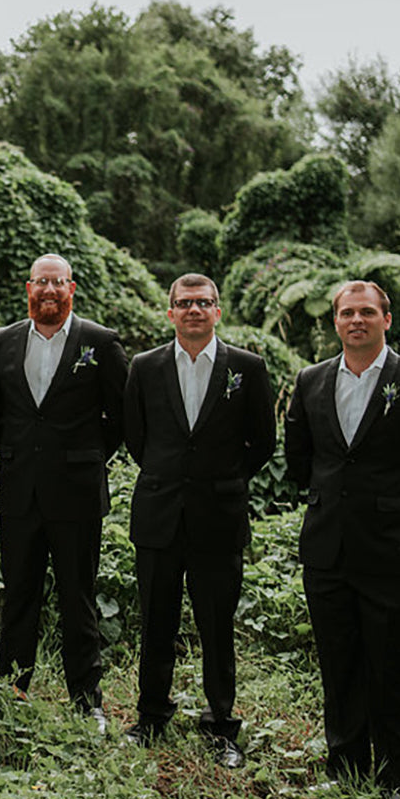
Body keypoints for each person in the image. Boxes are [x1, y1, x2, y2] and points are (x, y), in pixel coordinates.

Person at [285, 279, 400, 799]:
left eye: (367, 312)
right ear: (335, 322)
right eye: (347, 313)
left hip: (393, 550)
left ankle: (394, 782)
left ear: (387, 320)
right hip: (328, 550)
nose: (356, 320)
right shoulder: (311, 379)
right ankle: (345, 769)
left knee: (391, 666)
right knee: (338, 663)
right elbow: (301, 460)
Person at [121, 274, 275, 767]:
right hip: (159, 513)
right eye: (184, 303)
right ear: (169, 313)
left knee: (217, 625)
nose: (193, 310)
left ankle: (222, 727)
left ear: (217, 311)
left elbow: (264, 441)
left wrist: (223, 478)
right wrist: (173, 476)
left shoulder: (247, 368)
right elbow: (135, 438)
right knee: (156, 622)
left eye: (203, 303)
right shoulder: (145, 367)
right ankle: (150, 717)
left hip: (219, 515)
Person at [0, 254, 127, 730]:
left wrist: (83, 456)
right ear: (28, 289)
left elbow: (121, 415)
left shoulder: (99, 342)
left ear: (71, 288)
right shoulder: (3, 341)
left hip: (78, 492)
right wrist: (25, 455)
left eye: (56, 282)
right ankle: (11, 690)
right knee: (19, 593)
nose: (48, 290)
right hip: (20, 489)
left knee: (77, 596)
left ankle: (89, 701)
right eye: (40, 282)